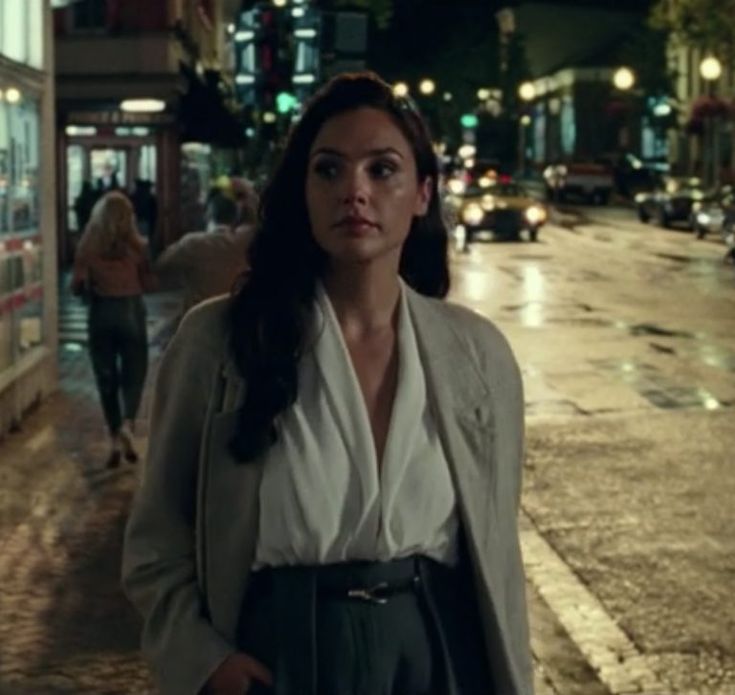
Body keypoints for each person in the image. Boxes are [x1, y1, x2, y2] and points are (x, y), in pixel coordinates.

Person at [122, 72, 533, 695]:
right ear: (303, 193)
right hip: (281, 656)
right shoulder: (221, 343)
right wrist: (203, 660)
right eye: (329, 170)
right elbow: (156, 539)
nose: (355, 192)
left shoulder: (478, 356)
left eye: (382, 170)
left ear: (423, 193)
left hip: (437, 654)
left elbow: (498, 552)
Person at [71, 191, 154, 469]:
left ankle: (115, 435)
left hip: (102, 312)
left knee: (106, 377)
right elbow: (148, 281)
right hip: (131, 309)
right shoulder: (137, 245)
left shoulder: (88, 244)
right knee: (135, 371)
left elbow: (77, 285)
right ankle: (128, 423)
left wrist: (89, 285)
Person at [153, 192, 253, 320]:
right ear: (235, 218)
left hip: (198, 316)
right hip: (237, 315)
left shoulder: (193, 243)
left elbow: (162, 264)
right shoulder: (245, 243)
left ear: (208, 215)